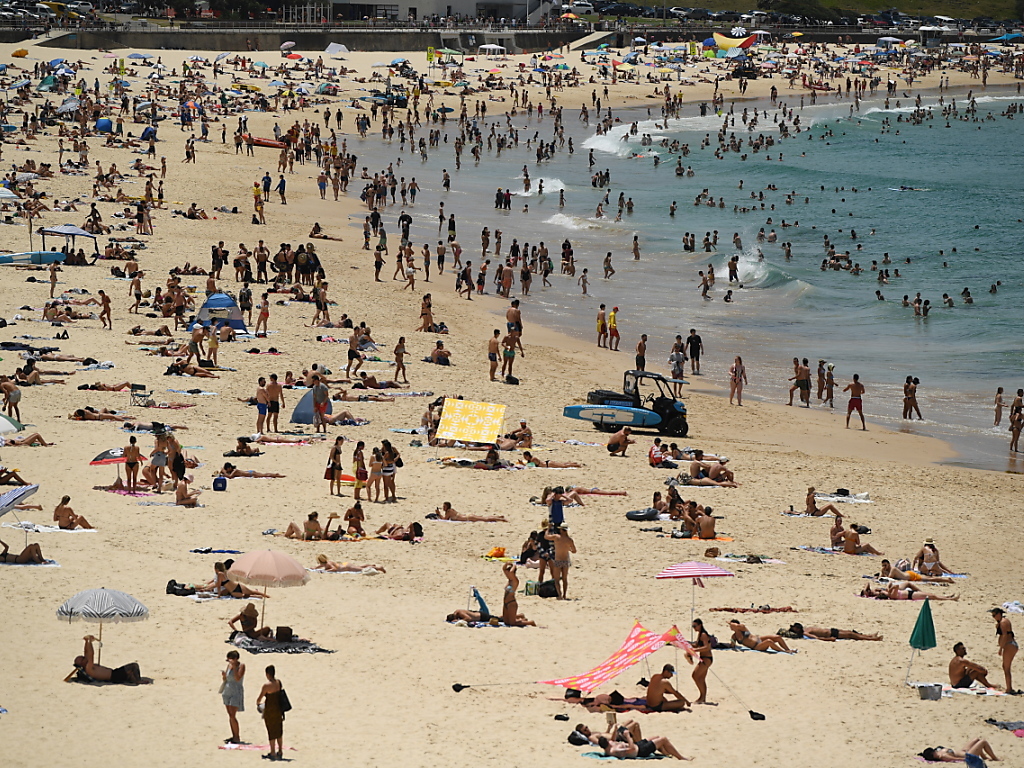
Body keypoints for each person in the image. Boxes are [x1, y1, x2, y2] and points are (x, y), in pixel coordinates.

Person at [69, 635, 143, 685]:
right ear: (82, 663)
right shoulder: (89, 668)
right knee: (134, 666)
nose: (84, 657)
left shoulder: (87, 667)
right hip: (114, 676)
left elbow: (86, 653)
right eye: (83, 658)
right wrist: (90, 642)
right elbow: (90, 654)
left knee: (128, 672)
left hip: (114, 674)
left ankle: (132, 678)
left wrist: (86, 641)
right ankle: (138, 680)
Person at [596, 730, 689, 760]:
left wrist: (615, 728)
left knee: (656, 737)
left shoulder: (609, 745)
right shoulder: (613, 751)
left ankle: (665, 754)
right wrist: (628, 736)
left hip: (638, 745)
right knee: (663, 739)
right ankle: (680, 757)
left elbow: (613, 740)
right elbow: (631, 749)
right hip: (640, 751)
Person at [256, 665, 285, 761]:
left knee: (271, 731)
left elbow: (259, 698)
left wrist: (259, 704)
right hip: (278, 709)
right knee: (279, 731)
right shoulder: (278, 683)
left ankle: (272, 752)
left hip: (270, 710)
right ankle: (280, 751)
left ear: (267, 674)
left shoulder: (266, 686)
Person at [990, 607, 1018, 694]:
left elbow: (1004, 636)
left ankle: (1009, 688)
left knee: (1006, 668)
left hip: (1009, 645)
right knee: (1005, 667)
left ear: (999, 614)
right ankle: (1009, 688)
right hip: (1011, 645)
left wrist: (1001, 648)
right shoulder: (1004, 621)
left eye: (994, 615)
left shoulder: (1002, 622)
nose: (994, 617)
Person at [545, 524, 576, 599]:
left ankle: (559, 595)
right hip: (565, 560)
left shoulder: (557, 537)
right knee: (565, 579)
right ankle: (564, 595)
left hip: (558, 560)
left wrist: (547, 529)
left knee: (557, 579)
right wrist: (568, 549)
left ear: (561, 530)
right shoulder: (569, 540)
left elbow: (546, 537)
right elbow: (574, 551)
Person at [221, 650, 245, 744]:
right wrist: (223, 676)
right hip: (227, 689)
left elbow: (238, 678)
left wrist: (234, 667)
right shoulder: (229, 666)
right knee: (230, 715)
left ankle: (237, 737)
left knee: (233, 715)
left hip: (236, 691)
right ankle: (234, 735)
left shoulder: (241, 666)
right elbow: (226, 678)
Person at [728, 619, 796, 653]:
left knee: (777, 637)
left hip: (759, 639)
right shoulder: (734, 636)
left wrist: (731, 623)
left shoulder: (743, 628)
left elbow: (738, 626)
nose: (730, 627)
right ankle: (783, 651)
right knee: (769, 641)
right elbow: (732, 645)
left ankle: (788, 649)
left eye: (731, 625)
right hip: (756, 646)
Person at [501, 562, 536, 627]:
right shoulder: (509, 580)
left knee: (512, 623)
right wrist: (507, 564)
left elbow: (511, 572)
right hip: (506, 603)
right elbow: (504, 569)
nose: (507, 574)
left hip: (511, 603)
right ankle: (521, 616)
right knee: (506, 622)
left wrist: (514, 565)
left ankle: (530, 622)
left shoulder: (515, 581)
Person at [918, 738, 999, 764]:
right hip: (968, 755)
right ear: (933, 754)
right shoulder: (942, 756)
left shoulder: (938, 751)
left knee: (976, 739)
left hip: (963, 751)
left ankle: (985, 757)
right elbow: (955, 759)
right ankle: (995, 758)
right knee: (983, 742)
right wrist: (966, 759)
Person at [690, 618, 714, 704]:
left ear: (700, 625)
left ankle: (702, 696)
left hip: (706, 659)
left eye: (695, 626)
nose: (694, 628)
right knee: (701, 678)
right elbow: (697, 645)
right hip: (705, 658)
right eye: (692, 626)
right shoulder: (700, 634)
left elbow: (706, 647)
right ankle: (702, 697)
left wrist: (694, 651)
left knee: (695, 676)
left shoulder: (703, 634)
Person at [880, 559, 954, 584]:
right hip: (908, 575)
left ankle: (946, 580)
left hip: (910, 576)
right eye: (883, 566)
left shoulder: (893, 569)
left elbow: (889, 578)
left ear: (889, 564)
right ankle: (945, 579)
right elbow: (881, 577)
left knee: (928, 579)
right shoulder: (887, 570)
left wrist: (883, 573)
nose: (884, 567)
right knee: (927, 578)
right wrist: (882, 572)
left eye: (885, 565)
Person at [788, 623, 882, 642]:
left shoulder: (806, 628)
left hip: (832, 630)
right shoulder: (805, 633)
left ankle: (869, 635)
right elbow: (817, 638)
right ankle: (872, 639)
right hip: (831, 634)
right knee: (851, 635)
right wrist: (829, 639)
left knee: (850, 632)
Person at [429, 501, 506, 523]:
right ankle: (498, 517)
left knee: (485, 519)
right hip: (468, 516)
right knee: (484, 518)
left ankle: (500, 519)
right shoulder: (451, 510)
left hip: (468, 518)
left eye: (444, 507)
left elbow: (445, 519)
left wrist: (439, 514)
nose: (443, 508)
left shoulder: (449, 512)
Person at [315, 554, 385, 573]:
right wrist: (315, 568)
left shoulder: (327, 564)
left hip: (346, 567)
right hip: (345, 564)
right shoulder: (326, 563)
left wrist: (326, 571)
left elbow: (334, 569)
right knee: (359, 566)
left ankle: (379, 568)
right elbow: (320, 566)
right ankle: (371, 565)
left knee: (361, 569)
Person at [219, 462, 285, 479]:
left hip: (251, 474)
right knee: (263, 474)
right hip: (250, 472)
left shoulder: (235, 471)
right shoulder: (233, 471)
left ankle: (276, 475)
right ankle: (276, 475)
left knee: (264, 475)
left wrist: (224, 472)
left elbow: (230, 476)